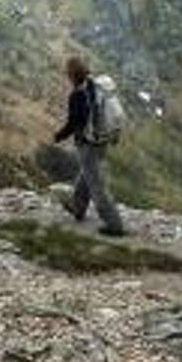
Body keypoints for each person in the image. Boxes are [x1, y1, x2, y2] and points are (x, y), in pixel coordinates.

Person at [53, 56, 125, 237]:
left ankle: (114, 224)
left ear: (71, 75)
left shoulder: (77, 95)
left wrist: (58, 136)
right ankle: (78, 208)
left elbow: (74, 123)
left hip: (88, 144)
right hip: (103, 140)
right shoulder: (96, 85)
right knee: (87, 174)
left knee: (97, 185)